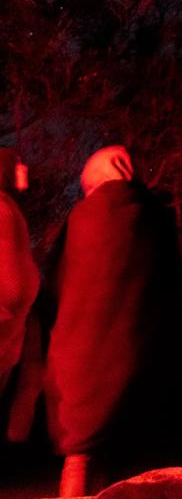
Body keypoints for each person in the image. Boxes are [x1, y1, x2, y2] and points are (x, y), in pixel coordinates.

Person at [44, 145, 182, 498]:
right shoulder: (156, 218)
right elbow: (170, 286)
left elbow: (56, 289)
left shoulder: (80, 219)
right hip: (139, 367)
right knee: (133, 475)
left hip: (80, 367)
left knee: (81, 460)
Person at [0, 149, 39, 417]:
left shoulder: (10, 208)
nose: (23, 173)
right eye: (17, 168)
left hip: (11, 325)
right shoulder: (2, 209)